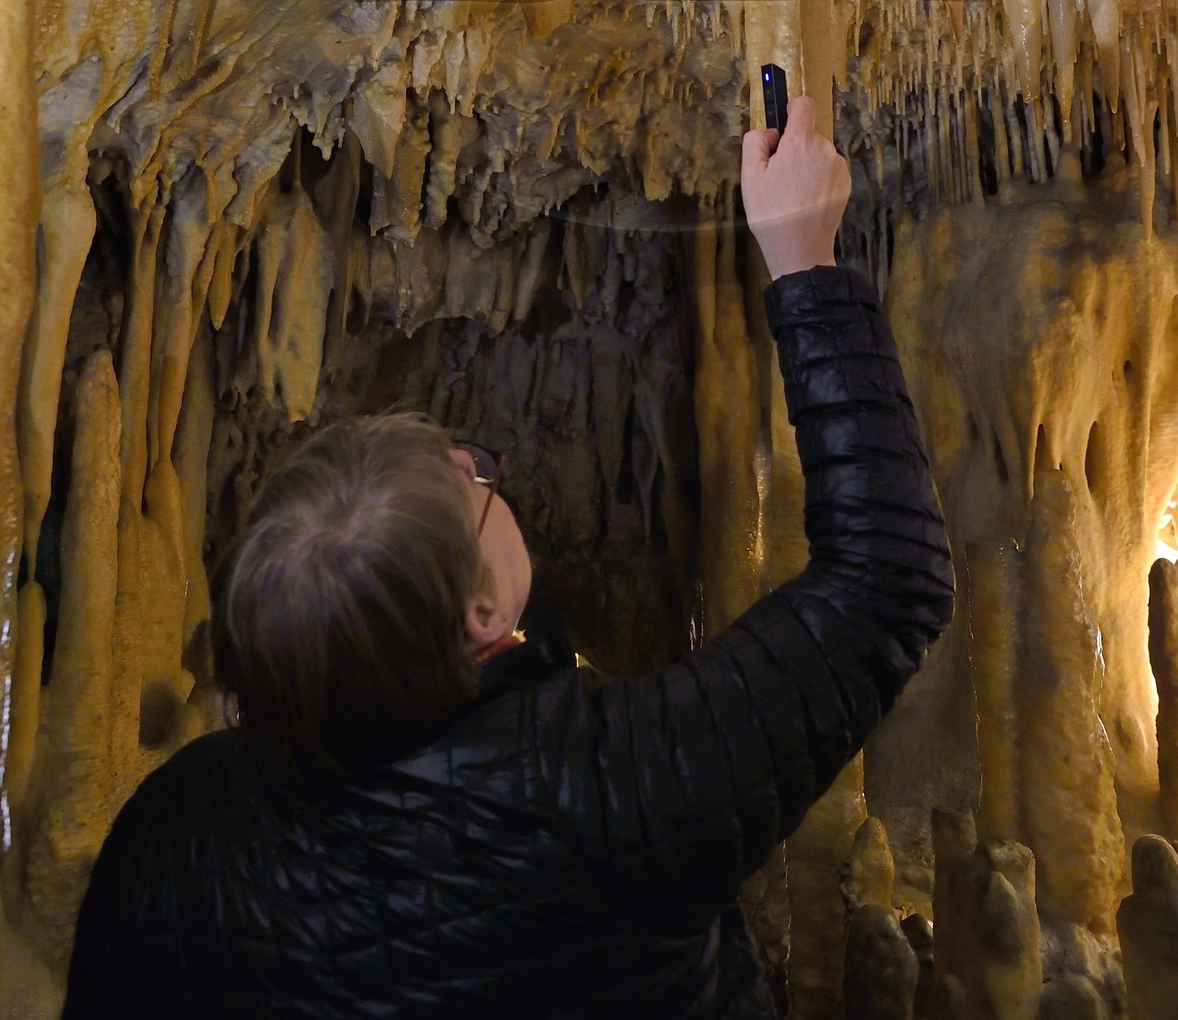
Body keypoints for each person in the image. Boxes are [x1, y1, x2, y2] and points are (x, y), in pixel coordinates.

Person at [63, 97, 954, 1019]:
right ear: (481, 620)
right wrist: (804, 262)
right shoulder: (605, 796)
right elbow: (889, 582)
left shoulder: (172, 833)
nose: (477, 466)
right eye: (472, 486)